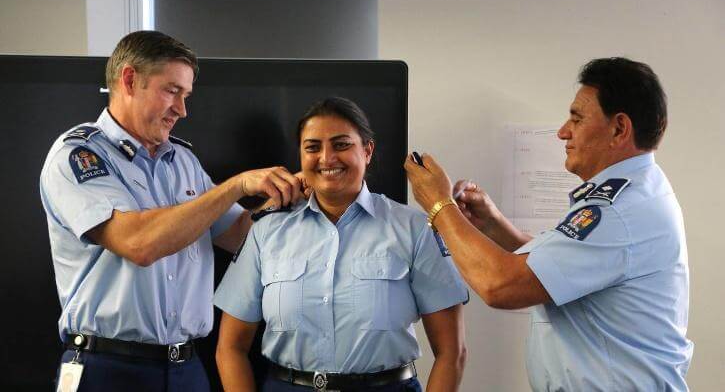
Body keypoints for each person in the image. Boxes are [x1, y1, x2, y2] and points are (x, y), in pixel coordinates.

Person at [405, 58, 693, 390]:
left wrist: (439, 205)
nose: (563, 132)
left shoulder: (618, 211)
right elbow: (560, 266)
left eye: (577, 118)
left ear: (618, 129)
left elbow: (500, 286)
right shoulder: (635, 191)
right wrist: (494, 224)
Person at [39, 31, 302, 391]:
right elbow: (139, 243)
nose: (182, 109)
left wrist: (292, 194)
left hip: (186, 369)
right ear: (130, 80)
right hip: (108, 369)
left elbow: (239, 234)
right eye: (172, 91)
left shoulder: (184, 162)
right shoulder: (79, 156)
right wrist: (236, 185)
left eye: (186, 95)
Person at [214, 97, 468, 391]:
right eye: (312, 147)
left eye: (341, 144)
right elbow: (230, 349)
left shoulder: (413, 229)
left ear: (367, 150)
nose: (326, 158)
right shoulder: (266, 232)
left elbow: (453, 353)